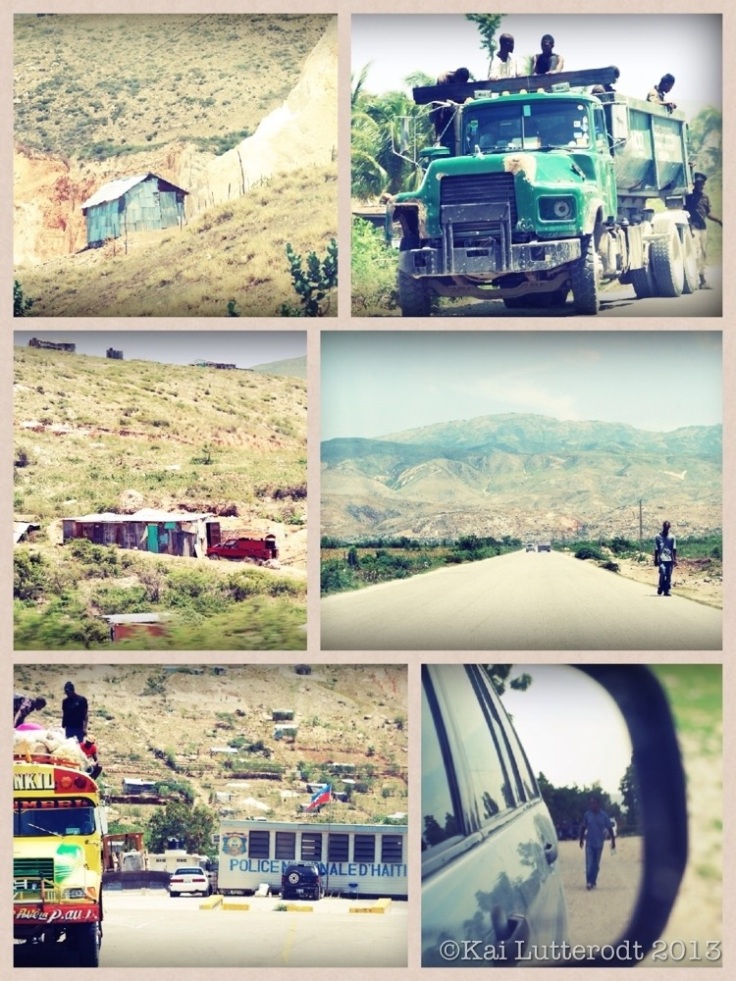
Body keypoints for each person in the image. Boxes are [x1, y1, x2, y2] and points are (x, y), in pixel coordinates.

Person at [685, 172, 722, 289]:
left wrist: (719, 220)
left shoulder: (705, 197)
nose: (700, 185)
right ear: (694, 184)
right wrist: (689, 227)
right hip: (693, 228)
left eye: (702, 183)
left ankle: (702, 280)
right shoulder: (689, 197)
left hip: (703, 228)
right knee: (695, 253)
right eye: (698, 183)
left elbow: (708, 213)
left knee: (703, 254)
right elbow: (685, 213)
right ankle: (693, 280)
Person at [579, 796, 616, 890]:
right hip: (589, 843)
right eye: (590, 804)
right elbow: (583, 827)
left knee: (596, 864)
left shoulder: (604, 816)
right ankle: (589, 882)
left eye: (594, 803)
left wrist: (613, 841)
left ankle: (593, 881)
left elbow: (610, 828)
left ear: (598, 804)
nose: (592, 805)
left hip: (599, 844)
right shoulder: (587, 815)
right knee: (589, 863)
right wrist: (581, 839)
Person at [432, 68, 470, 149]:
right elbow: (439, 104)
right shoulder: (443, 79)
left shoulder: (463, 83)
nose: (460, 85)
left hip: (458, 114)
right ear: (456, 78)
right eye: (459, 83)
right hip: (444, 114)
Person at [654, 520, 677, 596]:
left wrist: (675, 560)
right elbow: (656, 549)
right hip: (661, 559)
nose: (666, 528)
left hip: (670, 559)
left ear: (669, 527)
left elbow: (674, 549)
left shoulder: (672, 537)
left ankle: (666, 590)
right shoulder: (658, 537)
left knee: (669, 575)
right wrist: (655, 559)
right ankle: (661, 587)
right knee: (663, 573)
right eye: (665, 526)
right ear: (663, 526)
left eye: (668, 527)